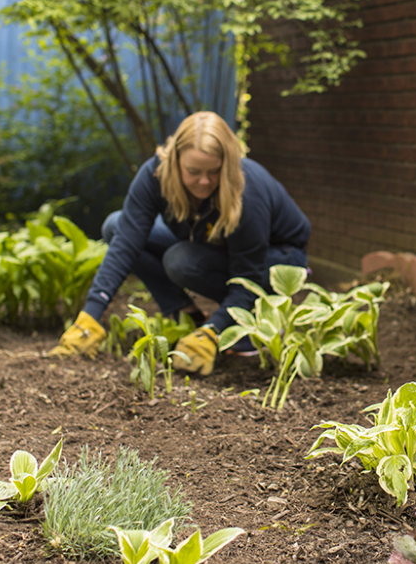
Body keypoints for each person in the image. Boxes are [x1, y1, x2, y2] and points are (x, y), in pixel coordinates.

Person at [49, 111, 311, 375]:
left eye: (214, 171)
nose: (204, 181)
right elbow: (126, 244)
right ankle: (186, 315)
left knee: (182, 261)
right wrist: (90, 315)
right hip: (211, 245)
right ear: (175, 161)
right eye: (193, 171)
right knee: (117, 227)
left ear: (228, 163)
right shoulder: (155, 174)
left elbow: (248, 277)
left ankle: (243, 324)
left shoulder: (246, 191)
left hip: (280, 258)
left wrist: (214, 332)